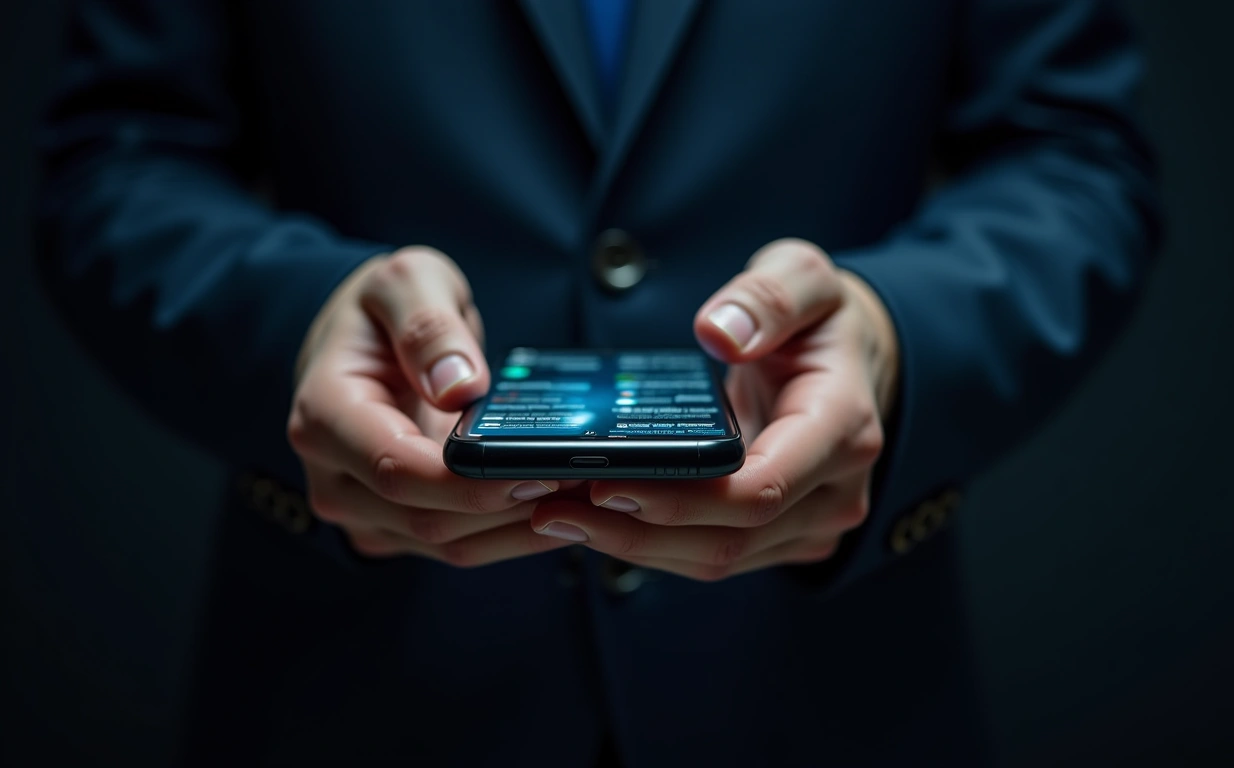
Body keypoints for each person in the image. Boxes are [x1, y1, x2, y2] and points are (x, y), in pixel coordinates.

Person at [37, 0, 1159, 765]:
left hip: (818, 694)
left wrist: (892, 339)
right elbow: (121, 158)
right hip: (361, 695)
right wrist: (300, 326)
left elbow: (1073, 153)